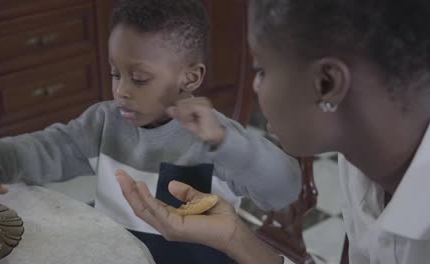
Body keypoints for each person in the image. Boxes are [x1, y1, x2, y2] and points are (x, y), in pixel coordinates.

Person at [0, 0, 302, 263]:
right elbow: (45, 148)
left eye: (139, 78)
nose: (122, 90)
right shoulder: (102, 123)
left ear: (190, 78)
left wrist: (228, 143)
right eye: (115, 74)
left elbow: (284, 187)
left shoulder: (220, 141)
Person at [116, 0, 430, 263]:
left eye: (261, 70)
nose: (256, 87)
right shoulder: (360, 164)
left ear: (326, 83)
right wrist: (234, 236)